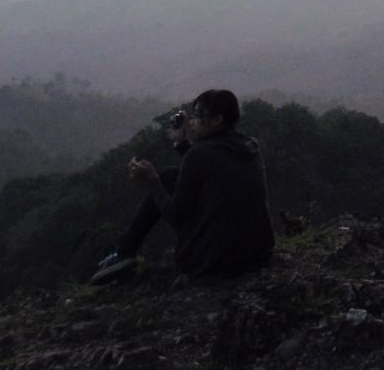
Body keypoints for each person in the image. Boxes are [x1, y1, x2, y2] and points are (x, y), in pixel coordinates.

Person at [90, 89, 274, 284]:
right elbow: (210, 169)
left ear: (217, 120)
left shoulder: (201, 154)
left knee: (167, 178)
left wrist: (152, 180)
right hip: (258, 254)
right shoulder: (248, 146)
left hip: (214, 262)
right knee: (171, 176)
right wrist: (182, 142)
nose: (192, 121)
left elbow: (175, 216)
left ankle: (124, 252)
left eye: (197, 115)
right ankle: (124, 252)